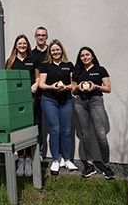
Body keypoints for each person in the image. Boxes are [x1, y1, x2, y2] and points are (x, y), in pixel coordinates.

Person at [71, 47, 115, 180]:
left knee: (101, 135)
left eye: (87, 55)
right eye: (82, 55)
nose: (85, 57)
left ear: (92, 56)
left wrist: (96, 87)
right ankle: (89, 165)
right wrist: (78, 88)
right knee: (86, 135)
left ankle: (106, 165)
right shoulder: (77, 72)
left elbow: (108, 88)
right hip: (80, 103)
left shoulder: (100, 70)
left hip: (96, 101)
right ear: (80, 58)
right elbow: (73, 90)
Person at [38, 39, 78, 175]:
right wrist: (52, 87)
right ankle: (55, 160)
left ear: (62, 50)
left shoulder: (69, 65)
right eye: (53, 50)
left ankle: (67, 159)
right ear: (50, 52)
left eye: (57, 49)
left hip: (65, 100)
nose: (55, 52)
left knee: (66, 131)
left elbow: (74, 85)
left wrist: (66, 87)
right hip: (49, 100)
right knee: (55, 130)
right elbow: (41, 84)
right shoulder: (45, 65)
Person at [6, 34, 39, 177]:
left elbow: (37, 77)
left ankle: (29, 160)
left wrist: (36, 85)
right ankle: (20, 159)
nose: (22, 45)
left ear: (28, 45)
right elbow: (6, 79)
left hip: (30, 97)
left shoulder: (33, 60)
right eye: (20, 43)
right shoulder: (10, 61)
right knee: (19, 129)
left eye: (24, 43)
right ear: (16, 45)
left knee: (30, 128)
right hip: (16, 100)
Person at [30, 26, 49, 161]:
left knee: (53, 125)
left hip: (51, 94)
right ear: (35, 37)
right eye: (38, 35)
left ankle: (57, 156)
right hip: (36, 95)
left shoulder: (53, 51)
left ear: (46, 37)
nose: (41, 37)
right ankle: (39, 152)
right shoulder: (31, 54)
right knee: (37, 124)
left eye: (43, 35)